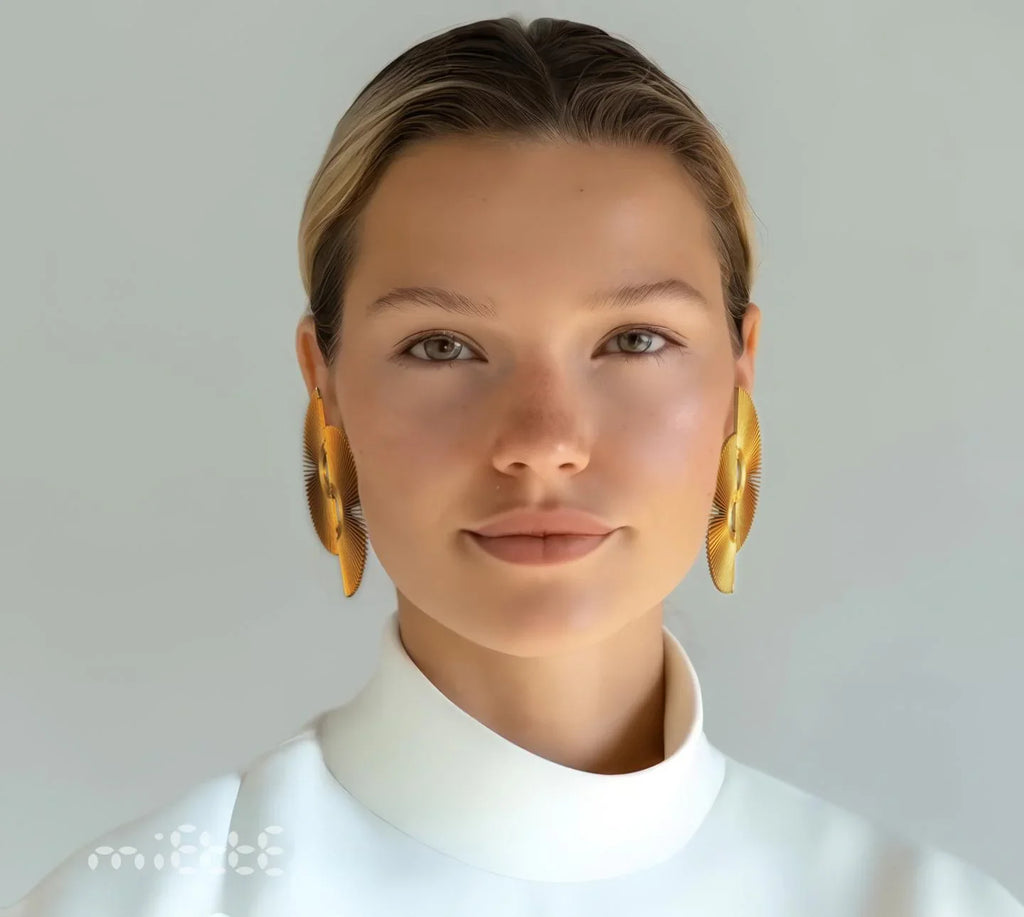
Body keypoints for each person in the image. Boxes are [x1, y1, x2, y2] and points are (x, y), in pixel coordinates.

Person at [4, 15, 1020, 917]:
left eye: (632, 338)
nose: (541, 435)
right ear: (327, 382)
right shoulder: (136, 898)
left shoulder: (926, 905)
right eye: (442, 345)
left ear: (739, 368)